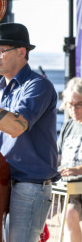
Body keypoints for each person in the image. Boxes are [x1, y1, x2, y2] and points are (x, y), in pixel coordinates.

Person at [0, 22, 60, 242]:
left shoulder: (39, 86)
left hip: (29, 186)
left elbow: (16, 127)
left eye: (0, 51)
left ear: (21, 52)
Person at [58, 77, 82, 242]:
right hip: (69, 189)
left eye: (78, 104)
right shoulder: (68, 126)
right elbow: (57, 157)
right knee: (69, 215)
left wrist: (78, 169)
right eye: (70, 105)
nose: (74, 109)